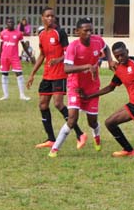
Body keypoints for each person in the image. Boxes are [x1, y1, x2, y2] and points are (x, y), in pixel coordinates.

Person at [47, 17, 114, 158]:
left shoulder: (97, 40)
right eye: (86, 31)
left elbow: (106, 48)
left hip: (92, 85)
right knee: (72, 119)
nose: (89, 33)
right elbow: (66, 68)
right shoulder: (73, 47)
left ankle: (97, 137)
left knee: (92, 121)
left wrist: (110, 60)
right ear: (78, 32)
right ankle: (54, 149)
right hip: (75, 86)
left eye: (91, 30)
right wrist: (86, 66)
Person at [27, 7, 87, 149]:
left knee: (58, 104)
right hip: (47, 74)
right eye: (47, 16)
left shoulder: (60, 33)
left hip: (60, 74)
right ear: (42, 17)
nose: (50, 18)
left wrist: (58, 60)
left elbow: (68, 53)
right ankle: (51, 139)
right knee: (42, 104)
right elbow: (42, 55)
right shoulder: (41, 35)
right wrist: (32, 73)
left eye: (52, 16)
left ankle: (80, 134)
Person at [0, 18, 32, 101]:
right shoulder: (3, 33)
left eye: (12, 22)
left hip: (14, 57)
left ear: (14, 24)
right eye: (9, 22)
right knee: (4, 75)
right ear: (6, 24)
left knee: (19, 74)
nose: (10, 24)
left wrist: (30, 56)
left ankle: (22, 95)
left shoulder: (19, 33)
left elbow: (24, 45)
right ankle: (5, 95)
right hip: (4, 57)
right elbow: (1, 46)